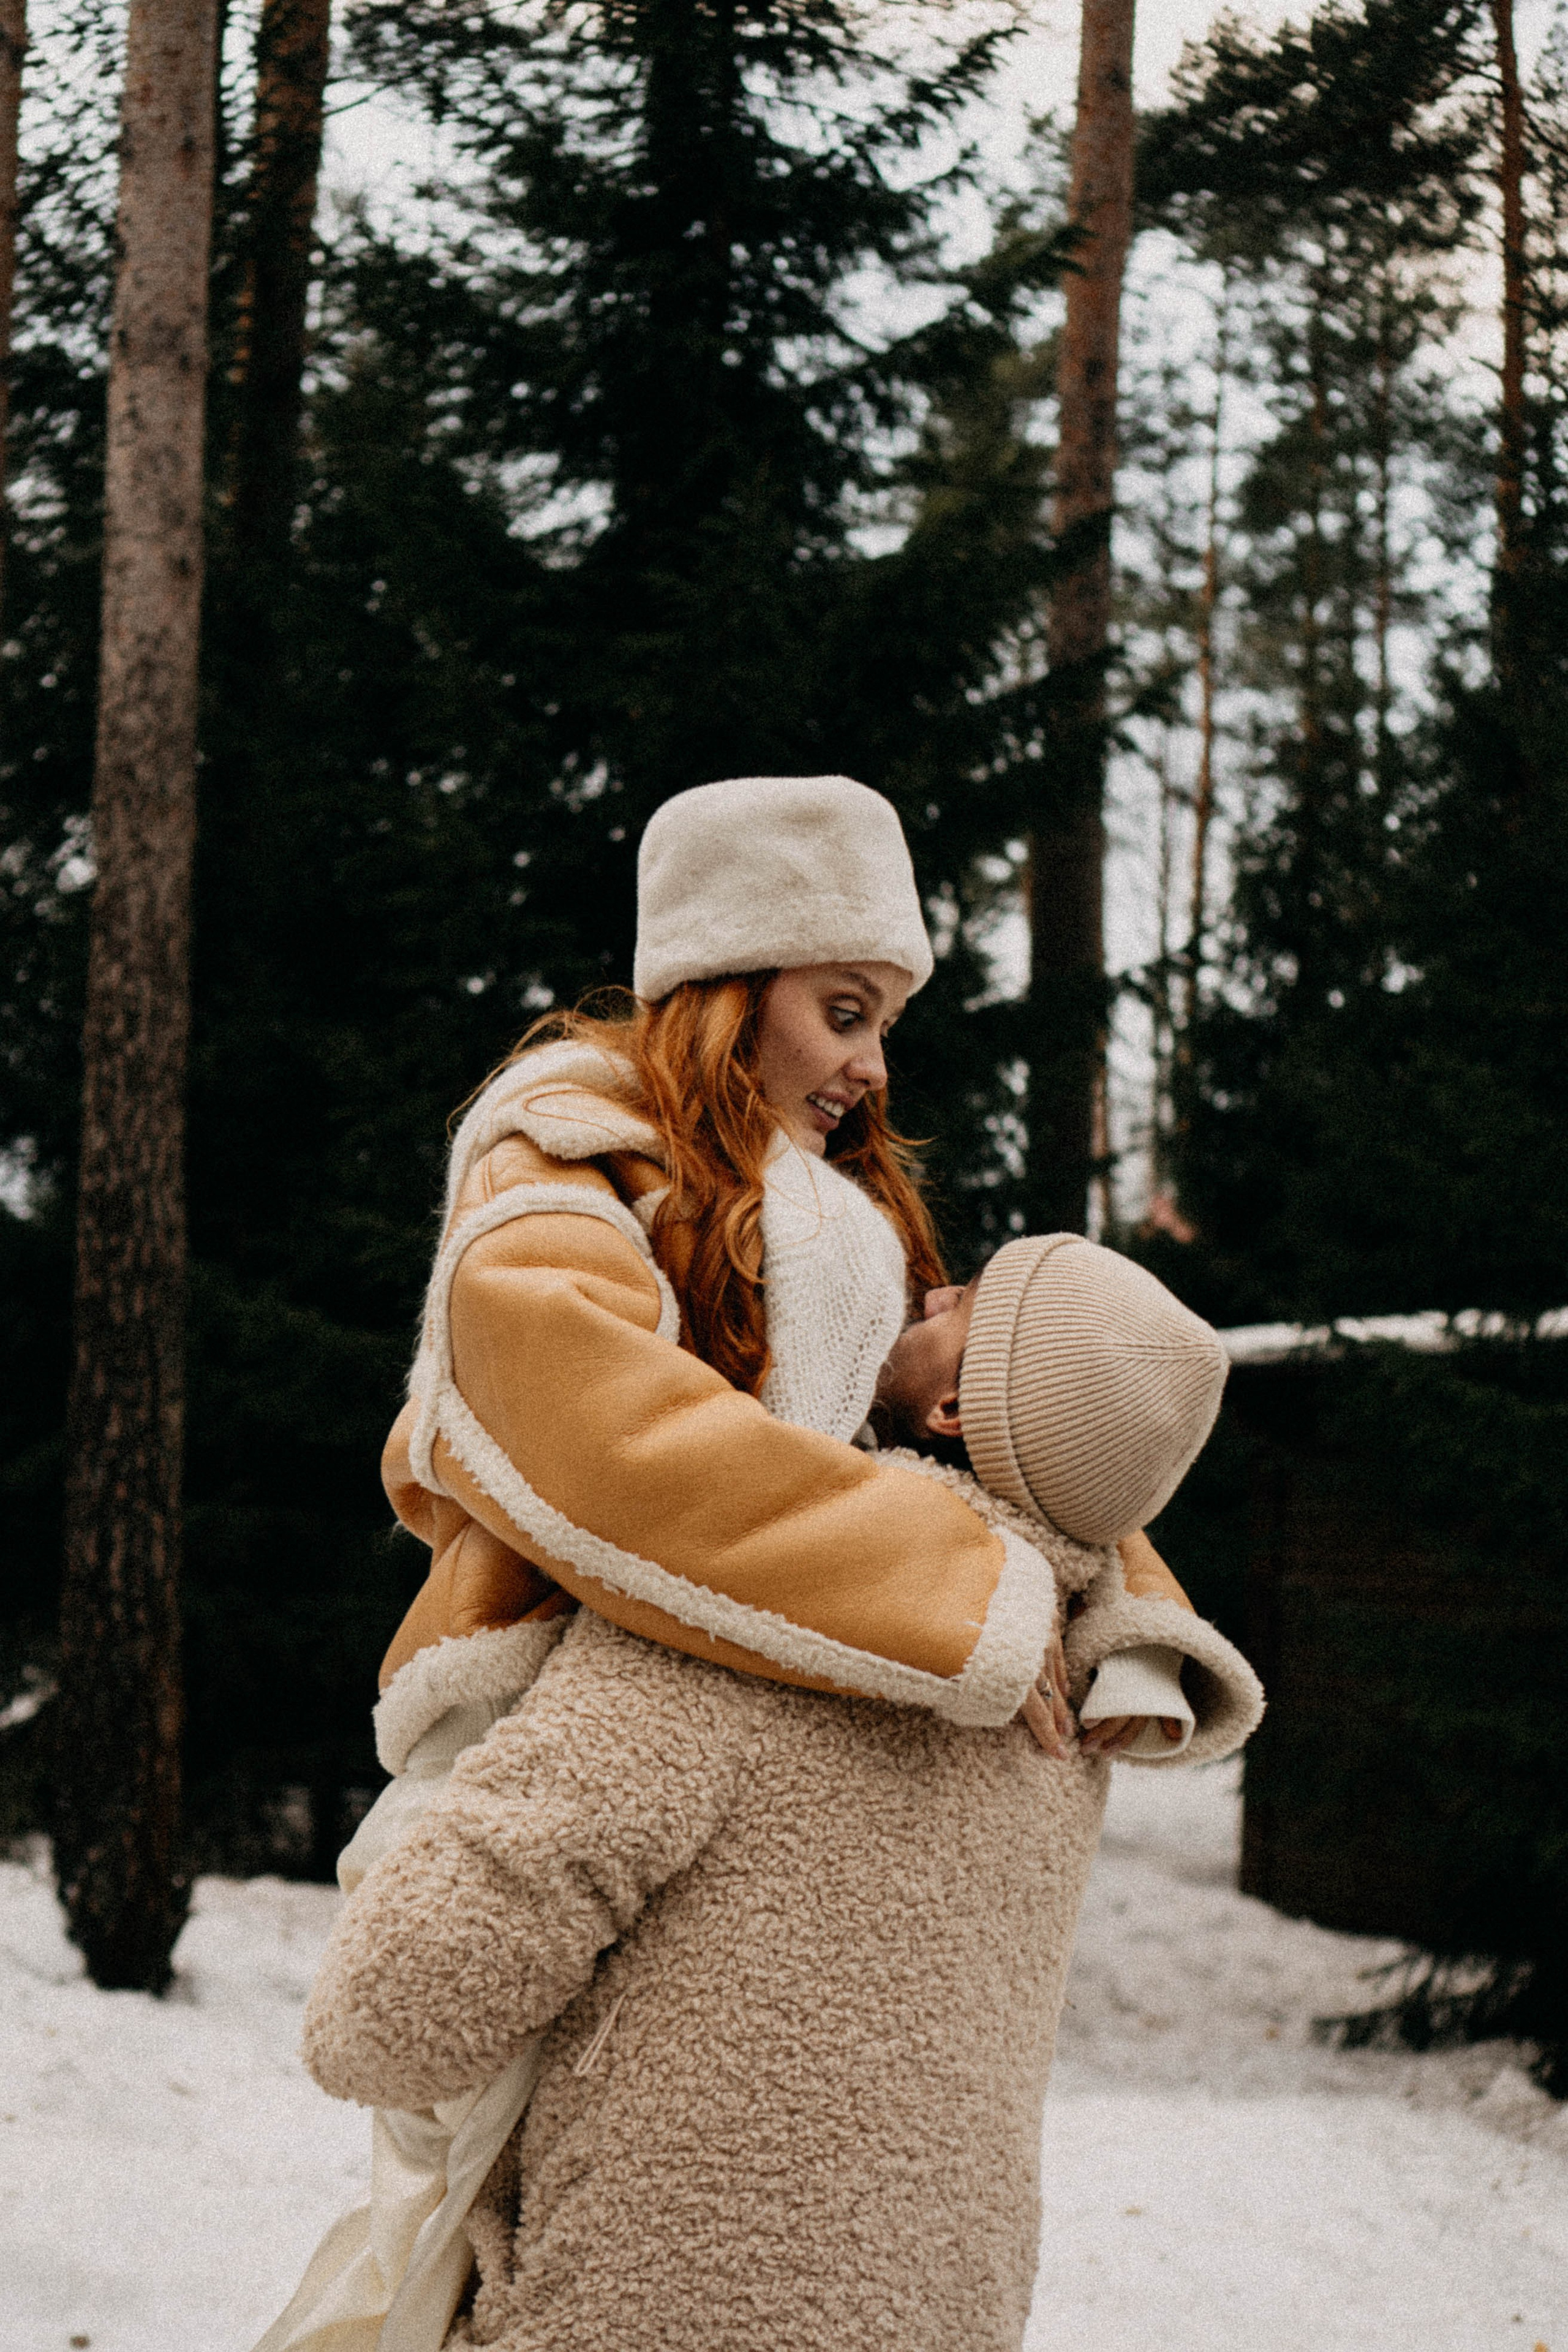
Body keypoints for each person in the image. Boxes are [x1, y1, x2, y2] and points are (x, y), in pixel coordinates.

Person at [255, 773, 1212, 2352]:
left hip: (771, 1719)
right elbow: (612, 1448)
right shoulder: (559, 1168)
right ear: (727, 977)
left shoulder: (847, 1216)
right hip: (552, 1725)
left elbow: (1030, 1437)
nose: (873, 1061)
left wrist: (1127, 1615)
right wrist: (962, 1588)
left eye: (887, 1017)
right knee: (439, 2228)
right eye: (844, 1008)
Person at [299, 1234, 1263, 2352]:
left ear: (953, 1410)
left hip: (656, 2308)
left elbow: (397, 2012)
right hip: (943, 2316)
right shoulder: (1085, 1688)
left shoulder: (764, 1611)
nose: (932, 1284)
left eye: (969, 1301)